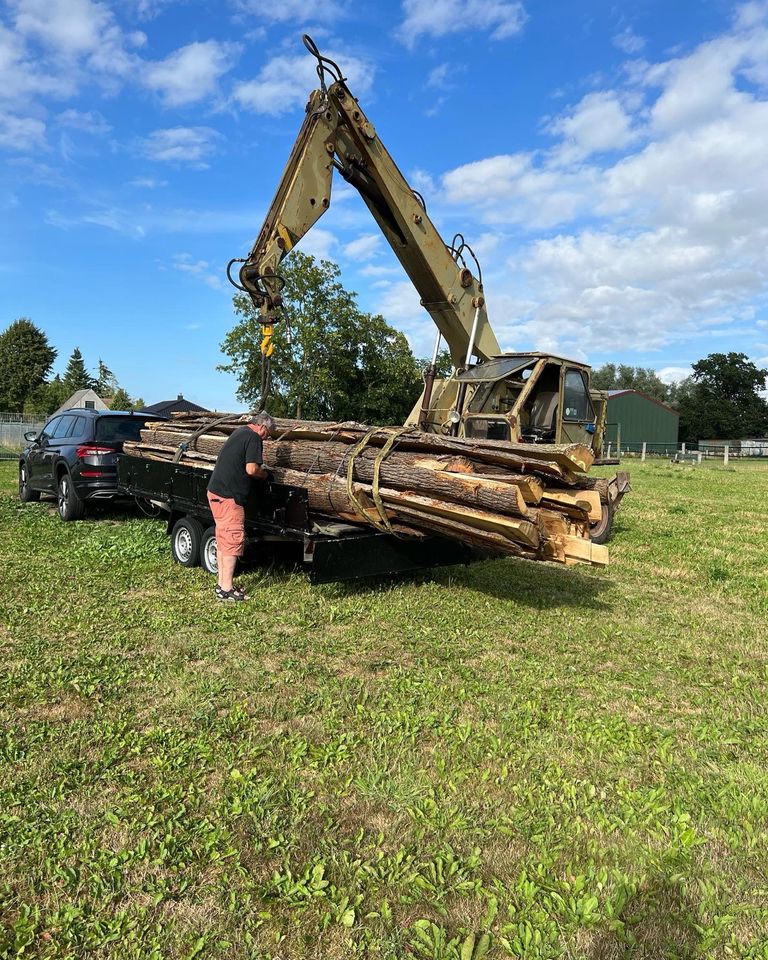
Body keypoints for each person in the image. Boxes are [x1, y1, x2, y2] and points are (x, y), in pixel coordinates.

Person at [206, 411, 275, 601]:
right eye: (268, 433)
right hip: (230, 496)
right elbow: (251, 469)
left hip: (216, 491)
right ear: (262, 427)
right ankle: (227, 590)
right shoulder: (253, 437)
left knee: (223, 538)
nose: (266, 437)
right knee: (232, 539)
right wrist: (266, 475)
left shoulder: (240, 432)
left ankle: (222, 585)